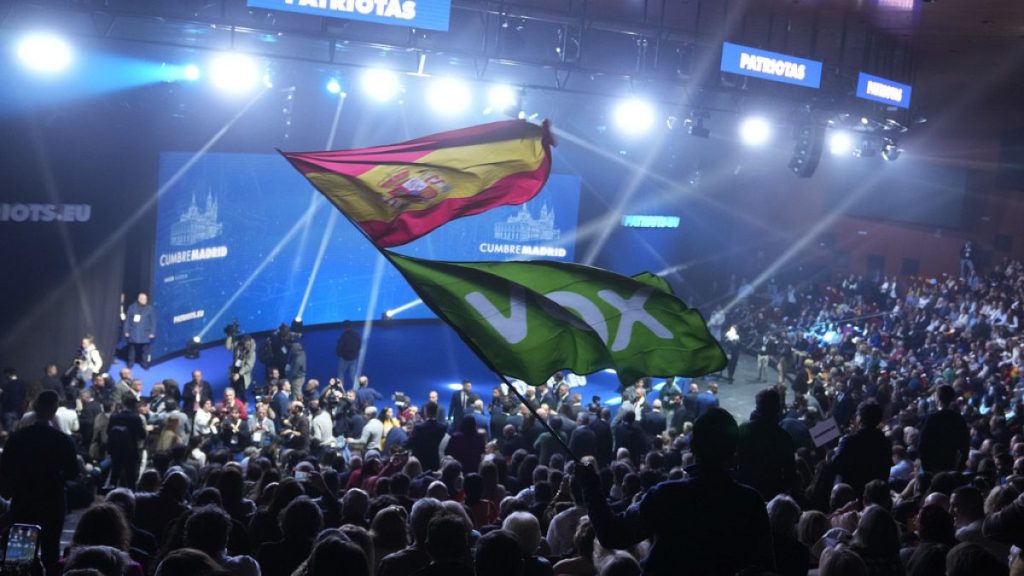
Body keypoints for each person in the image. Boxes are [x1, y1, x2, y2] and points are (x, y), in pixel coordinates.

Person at [578, 407, 776, 575]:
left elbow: (613, 535)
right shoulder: (750, 502)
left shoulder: (666, 495)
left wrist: (590, 486)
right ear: (734, 452)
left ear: (693, 448)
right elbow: (764, 567)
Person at [0, 390, 79, 569]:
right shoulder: (62, 440)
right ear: (54, 409)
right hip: (52, 499)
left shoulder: (18, 437)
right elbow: (72, 472)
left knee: (21, 553)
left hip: (24, 499)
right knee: (51, 551)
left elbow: (4, 469)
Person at [737, 388, 796, 501]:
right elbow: (790, 473)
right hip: (771, 494)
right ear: (778, 409)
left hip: (745, 489)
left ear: (758, 407)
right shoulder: (783, 437)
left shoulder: (743, 429)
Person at [830, 401, 892, 497]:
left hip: (850, 491)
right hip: (874, 492)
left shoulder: (849, 440)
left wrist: (833, 453)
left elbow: (835, 464)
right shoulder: (886, 442)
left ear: (860, 419)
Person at [918, 384, 970, 474]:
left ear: (937, 398)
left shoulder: (931, 418)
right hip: (950, 464)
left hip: (932, 466)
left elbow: (922, 445)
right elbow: (965, 446)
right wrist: (959, 467)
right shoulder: (959, 419)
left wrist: (926, 468)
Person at [107, 395, 147, 489]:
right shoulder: (136, 418)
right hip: (130, 450)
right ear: (134, 405)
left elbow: (108, 431)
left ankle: (111, 497)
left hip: (115, 449)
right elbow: (142, 435)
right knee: (130, 477)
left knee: (114, 474)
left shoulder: (114, 417)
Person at [409, 401, 448, 472]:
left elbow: (411, 442)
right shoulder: (443, 428)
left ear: (426, 411)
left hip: (420, 460)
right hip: (434, 460)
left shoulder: (419, 427)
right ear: (437, 412)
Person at [123, 292, 156, 370]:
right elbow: (127, 320)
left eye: (146, 299)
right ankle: (130, 363)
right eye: (143, 299)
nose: (145, 300)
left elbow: (153, 322)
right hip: (133, 332)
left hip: (145, 333)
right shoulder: (132, 308)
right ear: (139, 299)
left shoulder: (150, 309)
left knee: (145, 351)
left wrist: (152, 332)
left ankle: (144, 364)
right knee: (132, 350)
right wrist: (126, 331)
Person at [336, 321, 362, 389]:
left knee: (341, 373)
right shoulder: (356, 334)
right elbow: (359, 345)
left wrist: (339, 353)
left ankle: (340, 389)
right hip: (353, 357)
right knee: (353, 374)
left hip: (345, 358)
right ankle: (357, 388)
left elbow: (340, 346)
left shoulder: (344, 335)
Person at [1, 366, 27, 431]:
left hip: (7, 410)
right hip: (19, 411)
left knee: (8, 431)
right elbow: (24, 396)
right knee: (18, 430)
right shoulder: (22, 384)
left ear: (8, 374)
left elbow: (3, 398)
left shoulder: (6, 386)